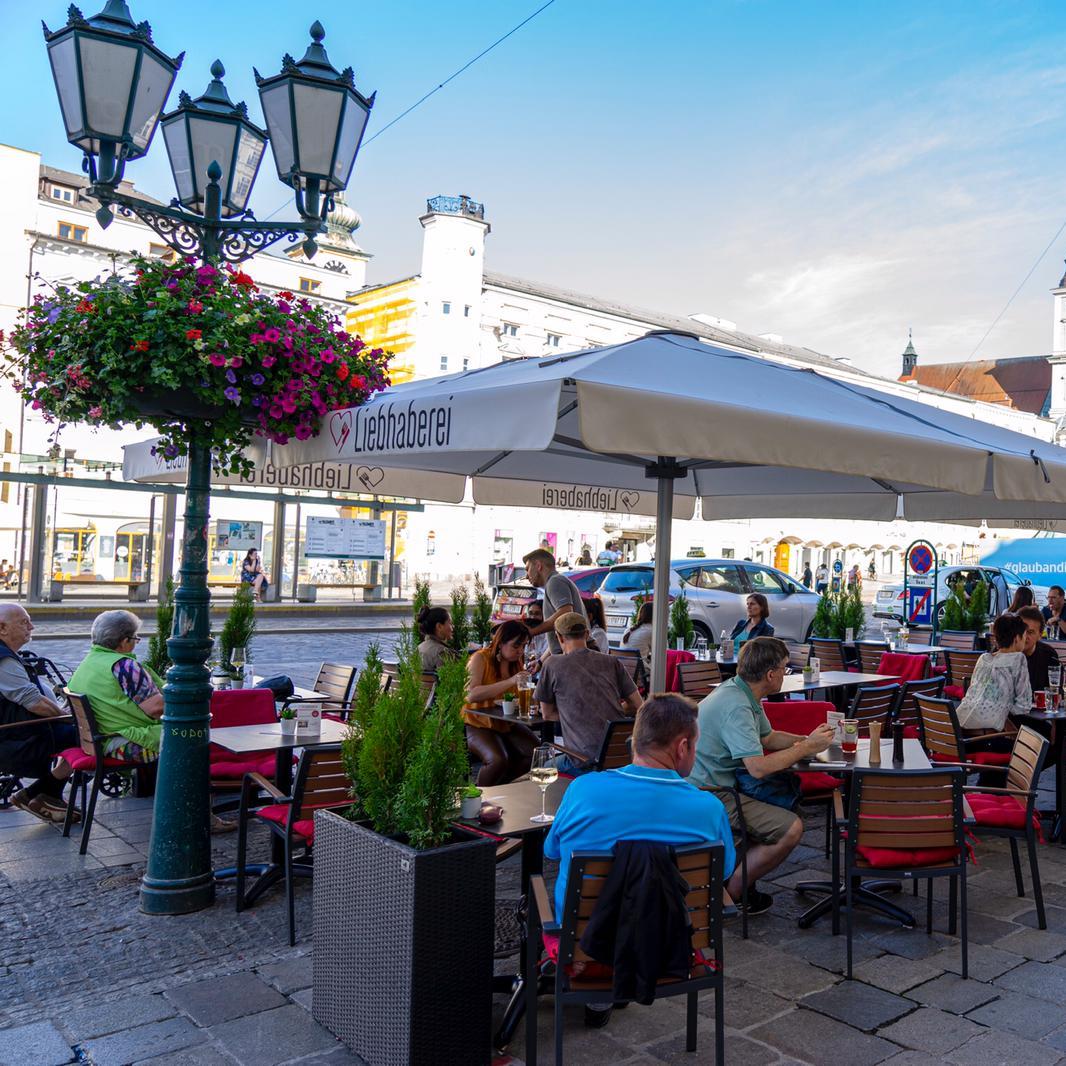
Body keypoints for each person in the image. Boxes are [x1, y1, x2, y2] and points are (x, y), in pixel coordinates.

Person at [543, 694, 735, 1028]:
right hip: (675, 948)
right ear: (682, 746)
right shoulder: (709, 808)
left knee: (542, 898)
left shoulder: (583, 789)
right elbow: (724, 873)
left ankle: (598, 993)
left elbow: (552, 851)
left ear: (637, 741)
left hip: (586, 950)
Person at [688, 636, 834, 914]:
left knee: (778, 804)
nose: (784, 673)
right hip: (711, 794)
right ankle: (732, 893)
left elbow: (767, 737)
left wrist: (807, 741)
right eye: (784, 668)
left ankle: (733, 879)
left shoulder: (739, 691)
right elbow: (757, 767)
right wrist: (806, 746)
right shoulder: (738, 706)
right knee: (791, 827)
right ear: (770, 674)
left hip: (715, 785)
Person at [535, 612, 643, 773]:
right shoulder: (612, 662)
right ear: (586, 634)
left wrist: (574, 713)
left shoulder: (552, 664)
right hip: (621, 757)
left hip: (583, 761)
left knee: (542, 767)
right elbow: (640, 705)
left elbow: (547, 714)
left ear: (559, 637)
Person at [0, 605, 77, 823]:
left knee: (78, 733)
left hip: (19, 732)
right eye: (24, 622)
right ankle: (43, 793)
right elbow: (32, 701)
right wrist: (66, 717)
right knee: (85, 736)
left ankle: (35, 794)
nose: (31, 627)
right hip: (17, 739)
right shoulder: (3, 659)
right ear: (2, 628)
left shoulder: (6, 654)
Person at [69, 610, 165, 764]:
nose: (136, 642)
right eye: (135, 638)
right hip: (124, 742)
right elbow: (155, 709)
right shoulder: (124, 666)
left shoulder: (89, 662)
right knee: (191, 736)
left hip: (99, 739)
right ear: (124, 641)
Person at [463, 619, 539, 786]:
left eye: (524, 646)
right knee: (497, 760)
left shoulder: (516, 663)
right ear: (500, 642)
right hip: (476, 721)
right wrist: (511, 681)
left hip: (505, 722)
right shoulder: (480, 658)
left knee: (536, 753)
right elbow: (471, 695)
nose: (520, 651)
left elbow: (520, 697)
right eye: (516, 646)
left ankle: (502, 787)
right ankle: (478, 798)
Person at [954, 612, 1030, 737]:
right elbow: (1023, 706)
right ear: (1017, 638)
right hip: (986, 738)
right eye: (1024, 636)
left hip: (958, 732)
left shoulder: (983, 658)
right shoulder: (1018, 659)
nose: (1026, 640)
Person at [523, 548, 589, 656]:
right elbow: (560, 632)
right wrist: (540, 662)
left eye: (527, 569)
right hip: (573, 653)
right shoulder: (555, 581)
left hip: (574, 654)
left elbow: (565, 615)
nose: (526, 576)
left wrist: (531, 632)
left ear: (538, 566)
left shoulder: (555, 581)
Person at [1018, 606, 1059, 692]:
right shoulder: (1004, 651)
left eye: (1030, 632)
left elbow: (1056, 691)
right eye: (1021, 630)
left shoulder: (1049, 655)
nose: (1025, 636)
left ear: (1040, 635)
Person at [416, 606, 456, 673]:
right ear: (439, 626)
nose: (453, 627)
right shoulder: (442, 652)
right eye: (450, 623)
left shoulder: (419, 648)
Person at [622, 601, 653, 669]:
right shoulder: (651, 631)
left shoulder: (628, 630)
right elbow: (664, 653)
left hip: (625, 672)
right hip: (641, 674)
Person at [523, 601, 551, 665]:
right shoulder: (525, 632)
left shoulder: (549, 634)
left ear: (544, 614)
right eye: (530, 613)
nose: (532, 617)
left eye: (537, 614)